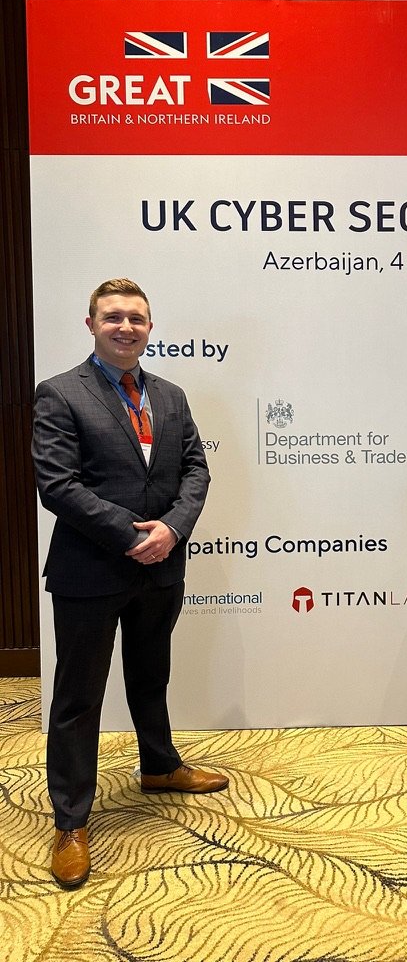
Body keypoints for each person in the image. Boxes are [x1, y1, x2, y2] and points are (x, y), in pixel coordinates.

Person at [32, 278, 228, 890]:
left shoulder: (169, 395)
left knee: (151, 675)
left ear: (149, 327)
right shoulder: (60, 393)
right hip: (90, 569)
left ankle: (159, 766)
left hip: (161, 566)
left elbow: (195, 469)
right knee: (78, 697)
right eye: (113, 317)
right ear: (91, 324)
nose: (126, 327)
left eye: (136, 318)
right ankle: (71, 820)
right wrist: (130, 534)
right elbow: (57, 485)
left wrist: (171, 529)